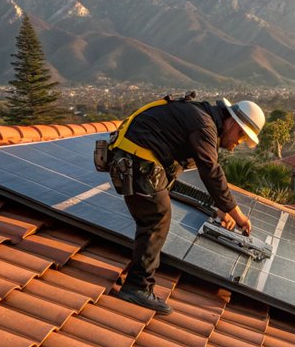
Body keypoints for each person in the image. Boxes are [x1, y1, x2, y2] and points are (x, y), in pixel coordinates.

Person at [108, 95, 265, 314]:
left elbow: (174, 172)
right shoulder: (204, 125)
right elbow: (210, 171)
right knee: (157, 217)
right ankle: (137, 287)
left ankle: (138, 277)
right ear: (230, 121)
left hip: (134, 159)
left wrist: (218, 206)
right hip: (136, 160)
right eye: (240, 134)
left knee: (153, 214)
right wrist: (236, 213)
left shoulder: (201, 120)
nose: (238, 142)